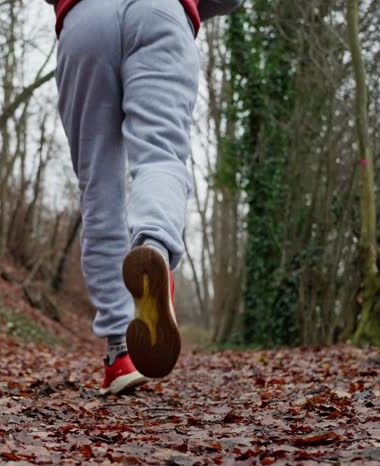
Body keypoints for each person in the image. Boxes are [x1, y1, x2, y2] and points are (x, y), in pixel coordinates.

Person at [47, 0, 243, 394]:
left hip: (85, 18)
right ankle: (153, 246)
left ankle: (120, 352)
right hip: (160, 12)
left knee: (98, 184)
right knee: (160, 155)